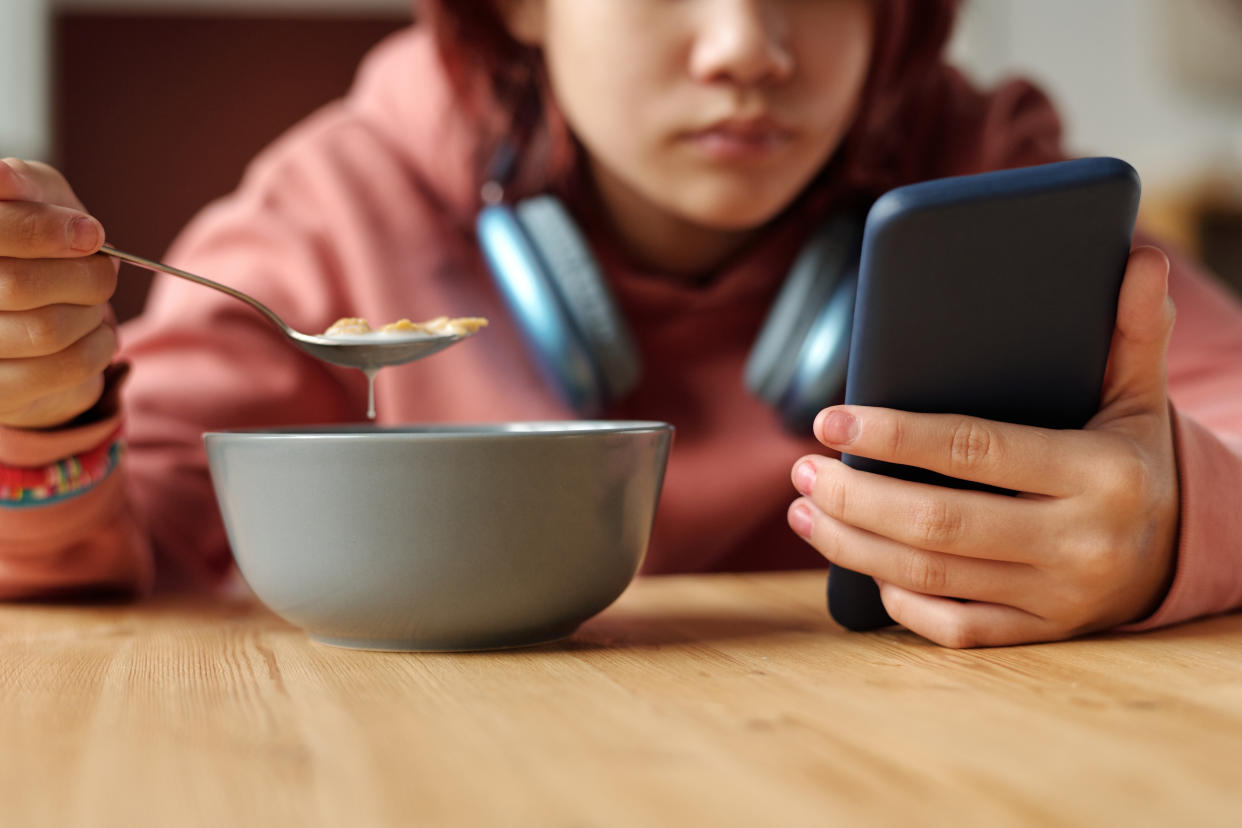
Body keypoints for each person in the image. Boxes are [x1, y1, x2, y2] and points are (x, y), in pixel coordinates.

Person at [2, 0, 1240, 647]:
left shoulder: (983, 176)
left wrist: (1173, 521)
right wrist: (38, 405)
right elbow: (127, 540)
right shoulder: (340, 201)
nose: (746, 46)